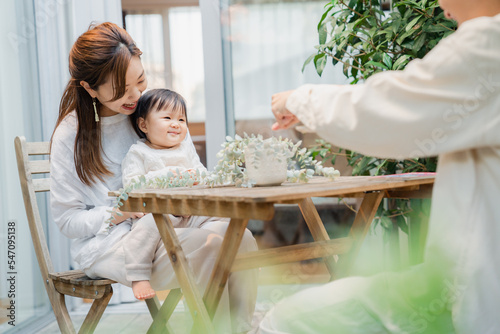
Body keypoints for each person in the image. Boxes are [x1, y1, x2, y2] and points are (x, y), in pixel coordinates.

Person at [261, 0, 500, 333]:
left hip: (475, 292)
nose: (441, 6)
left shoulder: (489, 42)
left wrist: (300, 98)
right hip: (468, 283)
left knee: (286, 320)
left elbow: (393, 109)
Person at [50, 22, 257, 333]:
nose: (135, 97)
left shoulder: (153, 111)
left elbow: (192, 172)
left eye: (141, 81)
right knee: (213, 246)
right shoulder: (72, 134)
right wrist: (118, 213)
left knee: (241, 236)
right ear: (89, 88)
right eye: (121, 90)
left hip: (178, 225)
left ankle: (240, 327)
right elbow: (68, 220)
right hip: (114, 245)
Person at [120, 88, 229, 301]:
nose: (176, 123)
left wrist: (203, 178)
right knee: (144, 228)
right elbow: (132, 186)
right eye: (168, 117)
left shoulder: (185, 150)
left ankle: (239, 257)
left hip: (192, 213)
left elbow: (201, 173)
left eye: (181, 119)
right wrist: (171, 175)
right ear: (144, 125)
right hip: (161, 216)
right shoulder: (139, 153)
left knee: (225, 217)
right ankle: (138, 275)